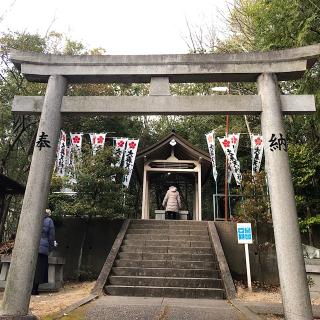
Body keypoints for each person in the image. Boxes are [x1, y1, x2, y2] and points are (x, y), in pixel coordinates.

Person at [32, 208, 55, 295]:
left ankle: (28, 288)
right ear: (48, 214)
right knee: (39, 268)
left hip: (31, 247)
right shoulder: (49, 221)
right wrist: (51, 247)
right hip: (42, 248)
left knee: (31, 267)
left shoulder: (34, 218)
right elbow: (51, 236)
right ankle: (35, 289)